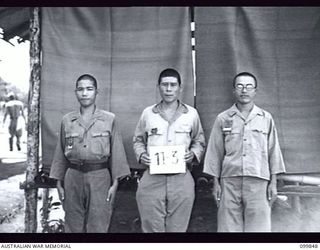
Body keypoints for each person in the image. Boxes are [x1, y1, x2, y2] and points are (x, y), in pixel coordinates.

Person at [203, 72, 286, 232]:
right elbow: (215, 152)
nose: (244, 90)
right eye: (240, 86)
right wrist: (216, 183)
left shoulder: (265, 118)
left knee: (259, 230)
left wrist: (273, 183)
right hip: (229, 182)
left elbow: (273, 151)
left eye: (249, 86)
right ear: (234, 90)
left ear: (255, 90)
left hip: (258, 182)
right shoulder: (223, 118)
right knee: (228, 229)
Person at [50, 74, 130, 233]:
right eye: (80, 89)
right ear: (75, 92)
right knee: (72, 224)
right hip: (73, 176)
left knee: (99, 223)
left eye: (89, 89)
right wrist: (58, 183)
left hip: (99, 176)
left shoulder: (109, 119)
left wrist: (115, 184)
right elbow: (60, 153)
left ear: (96, 92)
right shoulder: (67, 120)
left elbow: (117, 152)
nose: (84, 93)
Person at [133, 68, 206, 232]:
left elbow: (199, 140)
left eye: (173, 85)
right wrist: (141, 155)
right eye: (164, 85)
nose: (168, 89)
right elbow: (138, 140)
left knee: (178, 229)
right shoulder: (148, 113)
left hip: (181, 178)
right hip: (152, 178)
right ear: (158, 86)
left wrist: (193, 154)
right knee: (151, 228)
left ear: (180, 88)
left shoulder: (191, 114)